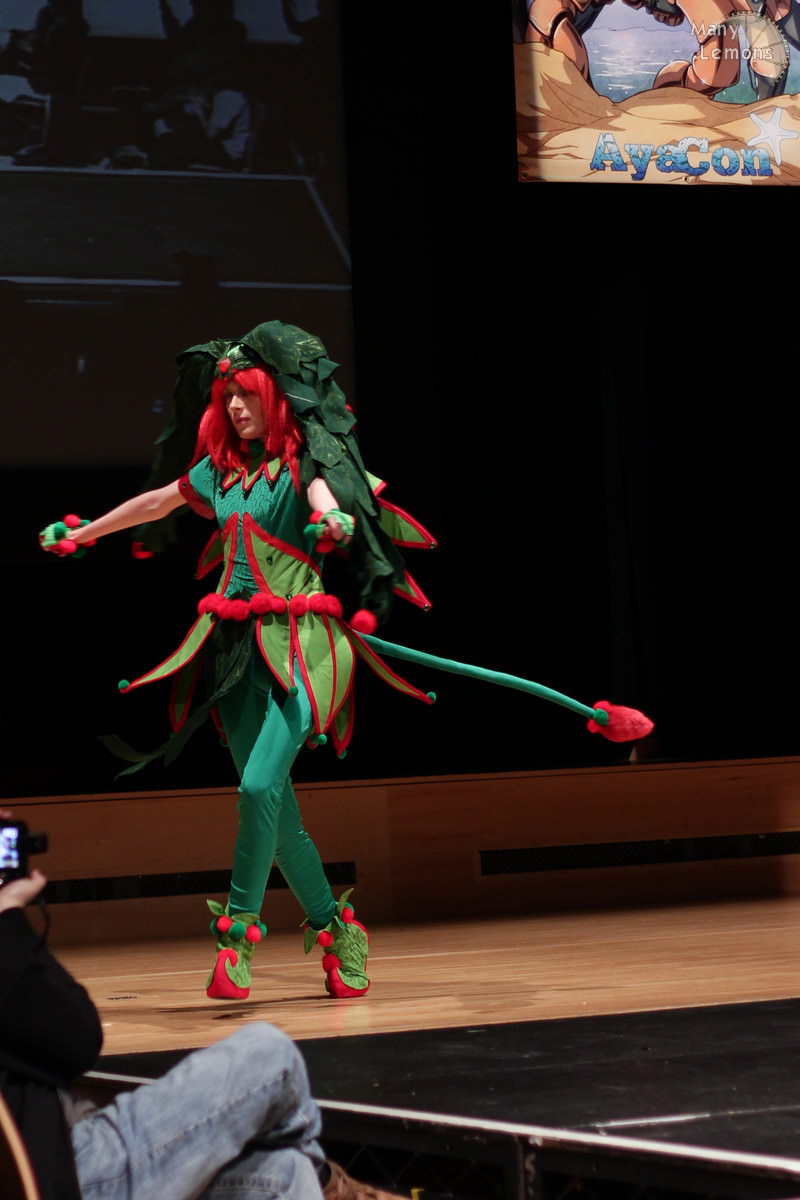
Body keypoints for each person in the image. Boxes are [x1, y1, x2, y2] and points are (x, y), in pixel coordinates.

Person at [39, 320, 436, 1003]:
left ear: (274, 397)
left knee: (256, 792)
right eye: (227, 397)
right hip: (235, 653)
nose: (235, 406)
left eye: (247, 394)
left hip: (303, 649)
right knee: (278, 820)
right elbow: (158, 501)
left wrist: (333, 520)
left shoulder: (304, 462)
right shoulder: (220, 471)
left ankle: (237, 940)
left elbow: (325, 498)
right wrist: (86, 533)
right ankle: (338, 931)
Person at [0, 860, 405, 1200]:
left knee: (282, 1171)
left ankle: (324, 1181)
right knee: (268, 1054)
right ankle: (333, 1184)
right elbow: (78, 1040)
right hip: (60, 1169)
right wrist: (7, 918)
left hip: (53, 1148)